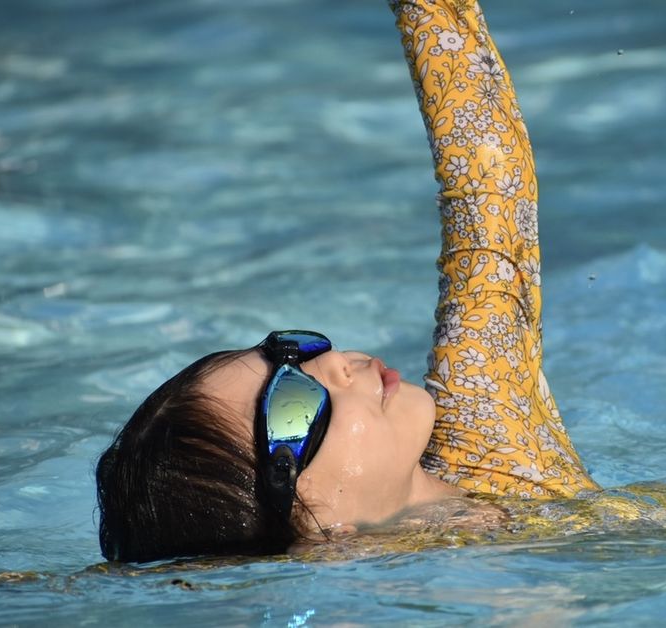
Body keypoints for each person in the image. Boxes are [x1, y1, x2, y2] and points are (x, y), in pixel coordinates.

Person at [96, 0, 601, 563]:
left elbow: (489, 190)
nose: (332, 361)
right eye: (292, 402)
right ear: (309, 520)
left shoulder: (488, 434)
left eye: (290, 351)